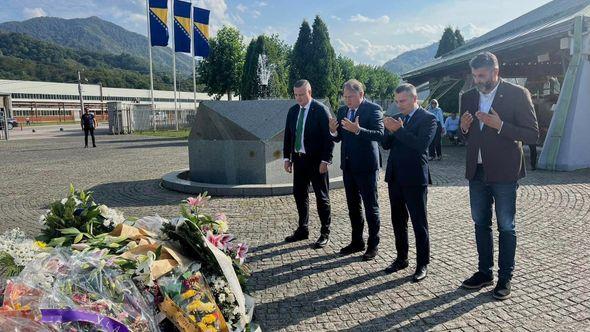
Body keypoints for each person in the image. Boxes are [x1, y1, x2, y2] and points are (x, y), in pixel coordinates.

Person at [459, 52, 538, 300]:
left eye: (481, 75)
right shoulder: (468, 97)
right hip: (477, 172)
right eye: (474, 76)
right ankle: (485, 272)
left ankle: (505, 278)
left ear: (495, 71)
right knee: (481, 224)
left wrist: (500, 126)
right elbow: (466, 137)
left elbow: (533, 135)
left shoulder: (516, 94)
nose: (477, 81)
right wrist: (463, 127)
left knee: (506, 226)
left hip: (504, 172)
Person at [381, 83, 437, 282]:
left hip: (414, 178)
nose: (399, 105)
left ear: (415, 99)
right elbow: (386, 145)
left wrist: (399, 131)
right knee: (398, 220)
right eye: (396, 101)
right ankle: (401, 258)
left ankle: (422, 263)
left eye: (402, 101)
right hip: (395, 177)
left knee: (418, 222)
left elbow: (421, 145)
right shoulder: (397, 118)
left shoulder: (428, 119)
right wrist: (388, 130)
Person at [329, 79, 384, 261]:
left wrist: (358, 130)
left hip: (367, 166)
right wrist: (333, 132)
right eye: (344, 97)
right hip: (348, 166)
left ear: (361, 94)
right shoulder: (343, 110)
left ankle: (373, 245)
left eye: (350, 97)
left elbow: (379, 134)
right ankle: (356, 241)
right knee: (353, 207)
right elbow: (339, 139)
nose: (347, 100)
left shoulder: (373, 109)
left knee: (371, 207)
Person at [283, 80, 335, 248]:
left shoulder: (320, 110)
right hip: (299, 160)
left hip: (317, 162)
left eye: (301, 95)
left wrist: (326, 160)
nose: (298, 98)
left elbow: (329, 138)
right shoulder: (292, 111)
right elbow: (288, 136)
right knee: (299, 194)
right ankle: (303, 229)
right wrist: (287, 158)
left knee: (322, 197)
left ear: (309, 92)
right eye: (296, 95)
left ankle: (325, 232)